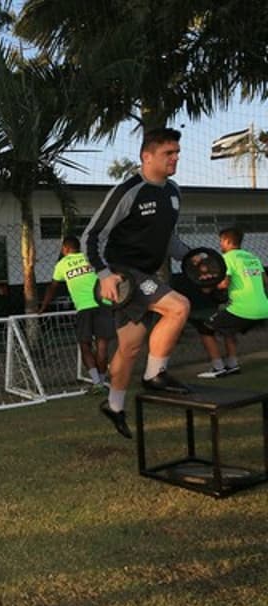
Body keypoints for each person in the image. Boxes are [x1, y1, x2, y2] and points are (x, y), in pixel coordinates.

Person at [81, 127, 192, 439]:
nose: (175, 158)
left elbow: (167, 238)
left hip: (146, 275)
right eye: (168, 153)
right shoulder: (128, 190)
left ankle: (114, 406)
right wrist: (103, 274)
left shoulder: (173, 192)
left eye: (176, 153)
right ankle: (156, 374)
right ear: (147, 156)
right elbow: (91, 235)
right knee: (179, 307)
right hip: (124, 276)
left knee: (129, 348)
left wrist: (191, 256)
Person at [39, 235, 115, 394]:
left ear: (65, 249)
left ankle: (97, 383)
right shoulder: (92, 258)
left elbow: (52, 287)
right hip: (104, 304)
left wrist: (43, 307)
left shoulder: (62, 264)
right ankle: (101, 382)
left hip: (84, 307)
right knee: (102, 346)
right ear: (79, 248)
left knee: (85, 345)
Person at [195, 227, 268, 378]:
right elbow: (265, 281)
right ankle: (232, 365)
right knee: (229, 328)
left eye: (221, 241)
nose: (220, 244)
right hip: (264, 308)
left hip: (244, 309)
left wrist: (208, 283)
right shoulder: (252, 257)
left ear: (228, 241)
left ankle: (217, 368)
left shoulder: (227, 258)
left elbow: (223, 284)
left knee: (205, 328)